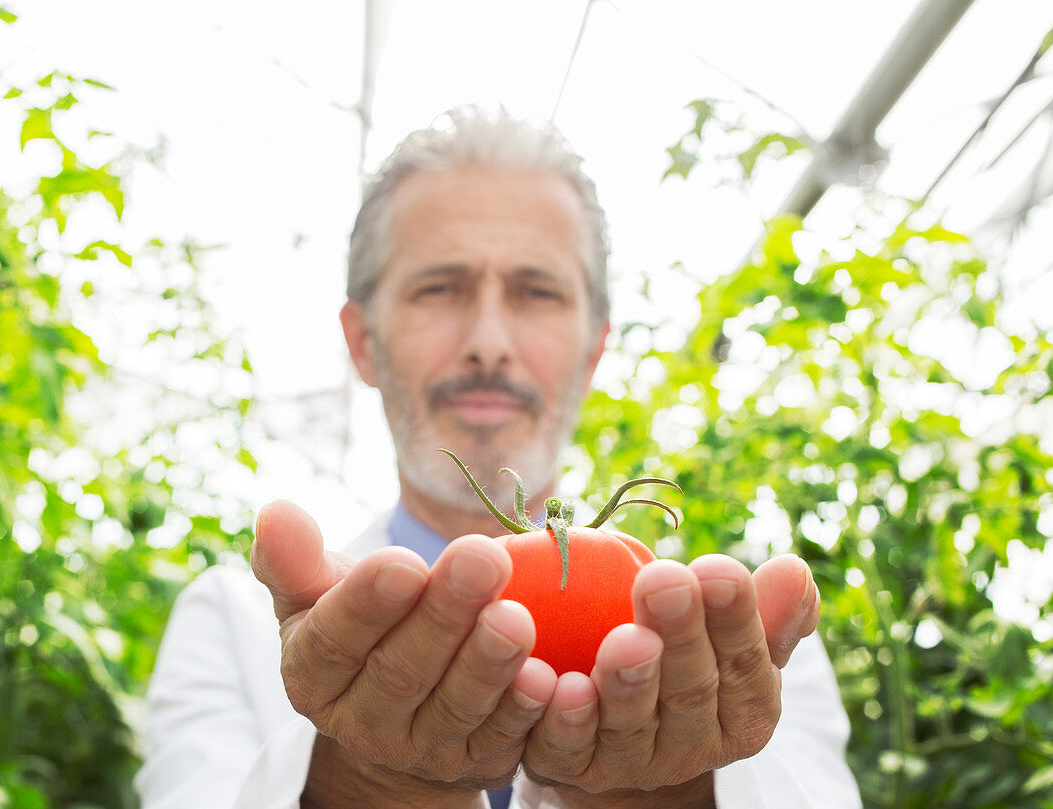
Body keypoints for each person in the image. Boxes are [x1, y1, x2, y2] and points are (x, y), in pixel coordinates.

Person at [135, 106, 862, 809]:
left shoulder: (739, 645)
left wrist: (681, 794)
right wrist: (358, 787)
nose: (488, 339)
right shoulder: (233, 621)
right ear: (362, 342)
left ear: (593, 350)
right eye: (439, 288)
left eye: (535, 291)